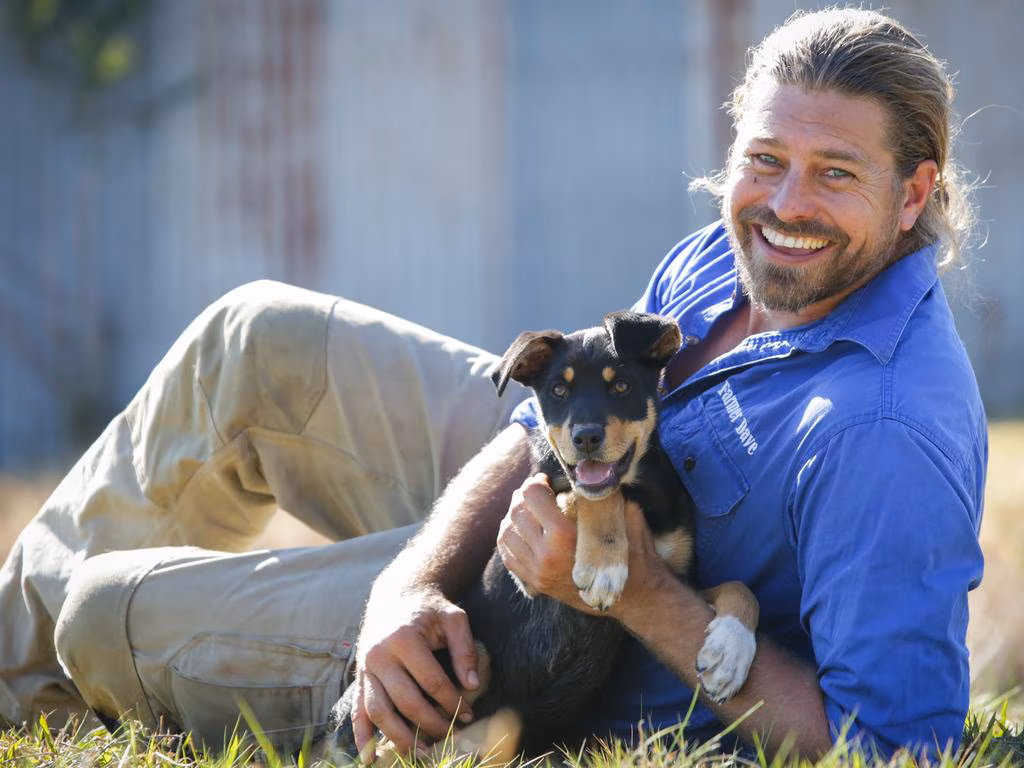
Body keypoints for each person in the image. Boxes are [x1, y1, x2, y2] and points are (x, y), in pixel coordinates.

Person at [0, 6, 984, 761]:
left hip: (557, 652)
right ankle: (11, 671)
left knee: (102, 615)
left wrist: (640, 595)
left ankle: (44, 663)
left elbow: (893, 748)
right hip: (543, 521)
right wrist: (407, 587)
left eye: (835, 174)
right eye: (765, 159)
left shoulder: (886, 428)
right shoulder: (733, 254)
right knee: (255, 336)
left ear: (912, 193)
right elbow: (546, 428)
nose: (784, 204)